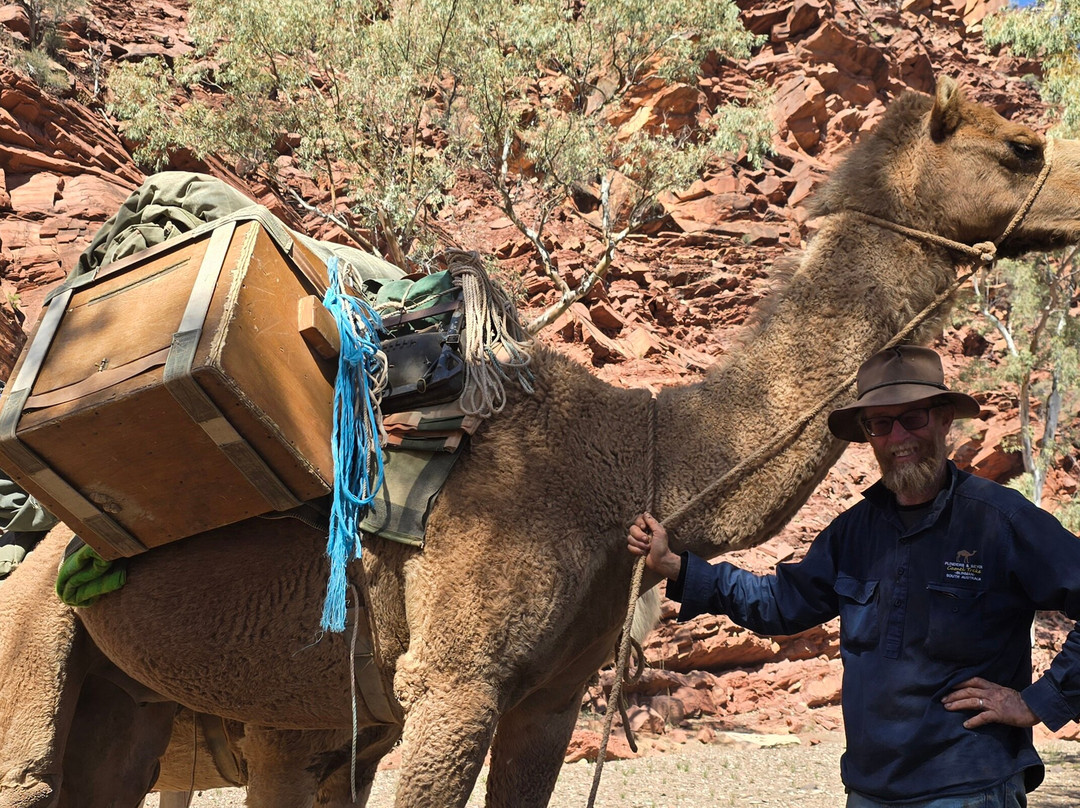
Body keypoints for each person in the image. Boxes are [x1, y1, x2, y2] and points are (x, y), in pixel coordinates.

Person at [628, 345, 1080, 807]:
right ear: (867, 434)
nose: (899, 437)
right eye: (881, 423)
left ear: (945, 419)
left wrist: (1037, 701)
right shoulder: (854, 531)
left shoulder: (998, 519)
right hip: (869, 789)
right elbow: (779, 603)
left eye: (913, 418)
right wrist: (674, 566)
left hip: (968, 787)